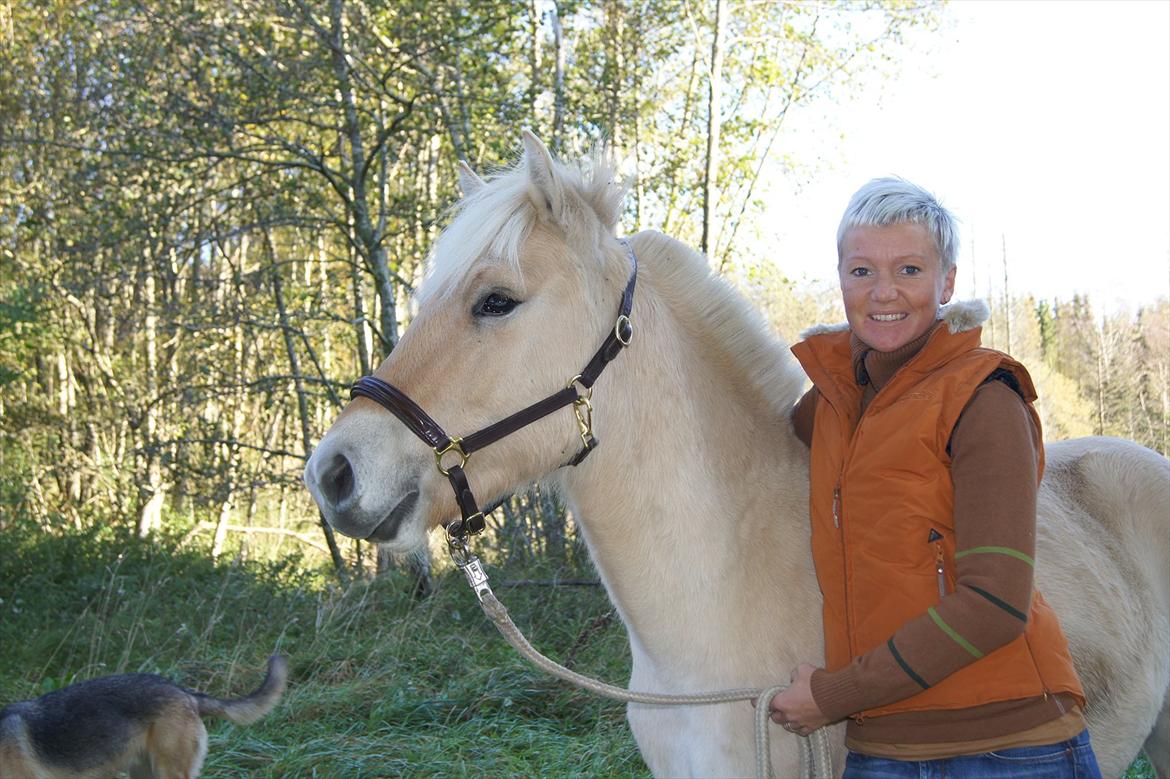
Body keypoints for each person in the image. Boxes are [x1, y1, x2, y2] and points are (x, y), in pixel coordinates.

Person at [768, 177, 1102, 777]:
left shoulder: (984, 400)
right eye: (861, 271)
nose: (883, 292)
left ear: (947, 282)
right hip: (882, 750)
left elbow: (997, 603)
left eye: (911, 270)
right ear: (839, 278)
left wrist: (831, 696)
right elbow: (794, 427)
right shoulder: (839, 404)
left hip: (1009, 746)